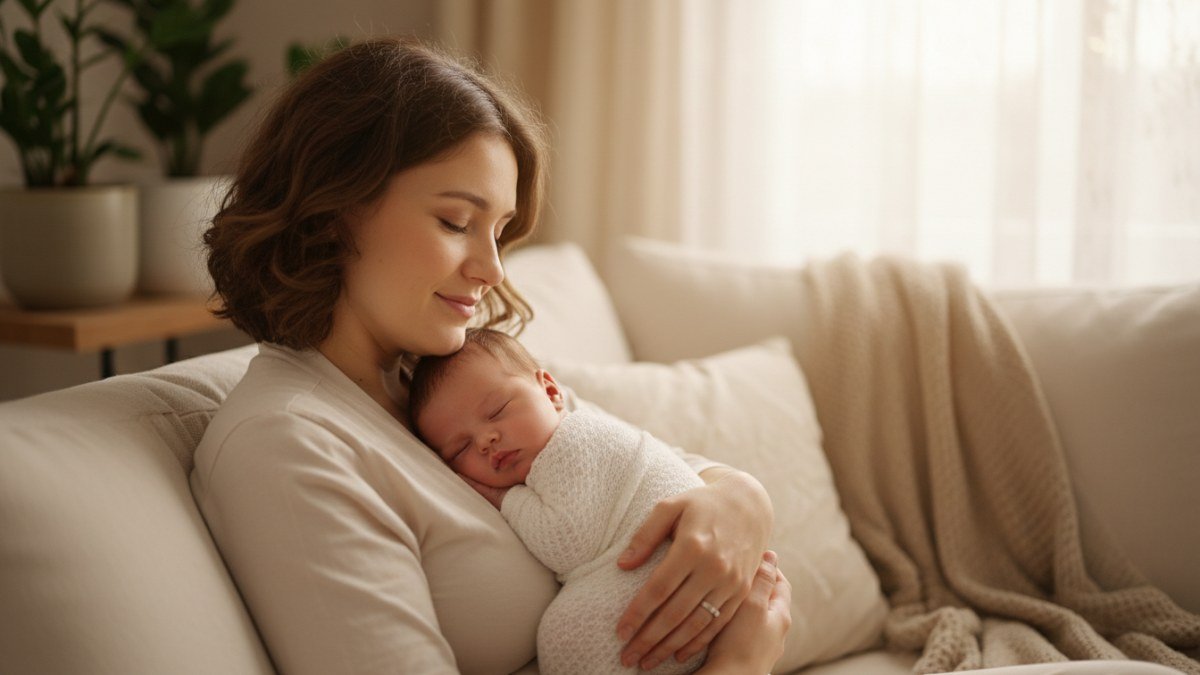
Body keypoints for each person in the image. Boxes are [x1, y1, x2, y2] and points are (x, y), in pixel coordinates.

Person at [190, 37, 789, 674]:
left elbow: (623, 465)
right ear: (333, 210)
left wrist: (741, 495)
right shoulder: (288, 444)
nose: (492, 268)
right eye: (455, 222)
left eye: (499, 231)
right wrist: (741, 665)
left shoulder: (434, 376)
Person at [410, 328, 775, 674]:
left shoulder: (572, 440)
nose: (486, 440)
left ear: (551, 392)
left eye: (497, 411)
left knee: (566, 637)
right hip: (697, 618)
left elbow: (566, 541)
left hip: (674, 583)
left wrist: (504, 499)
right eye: (460, 448)